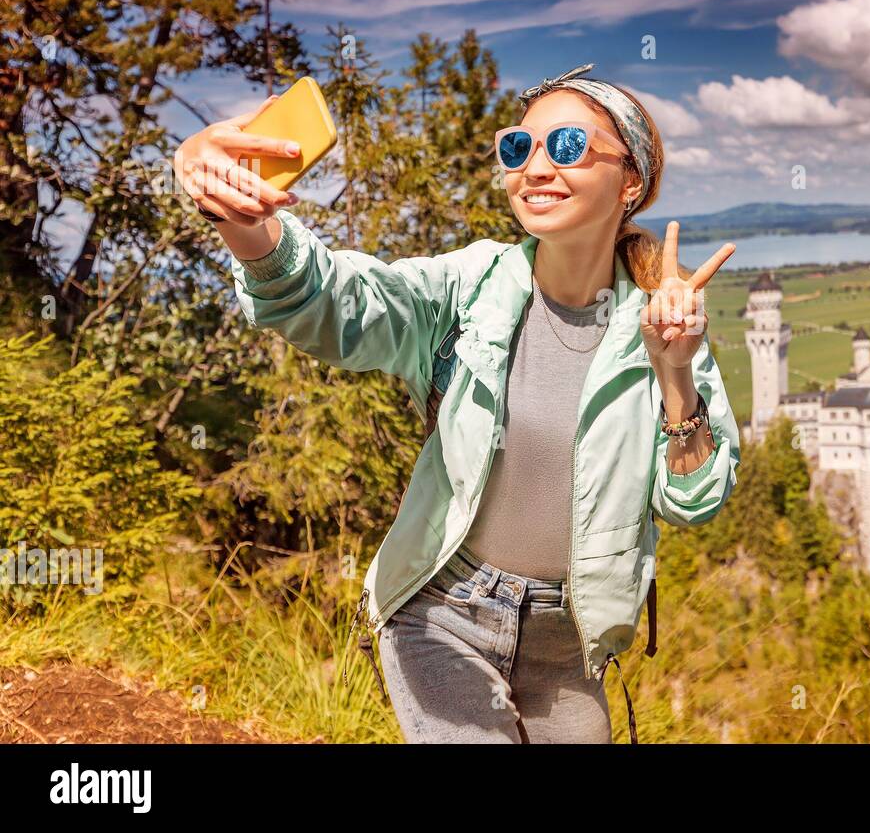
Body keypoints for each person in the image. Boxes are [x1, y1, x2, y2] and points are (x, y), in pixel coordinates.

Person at [173, 63, 741, 743]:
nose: (534, 166)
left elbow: (694, 501)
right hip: (442, 613)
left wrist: (676, 375)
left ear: (630, 183)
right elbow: (337, 305)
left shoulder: (665, 329)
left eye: (565, 146)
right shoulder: (469, 287)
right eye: (516, 147)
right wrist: (245, 218)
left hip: (572, 649)